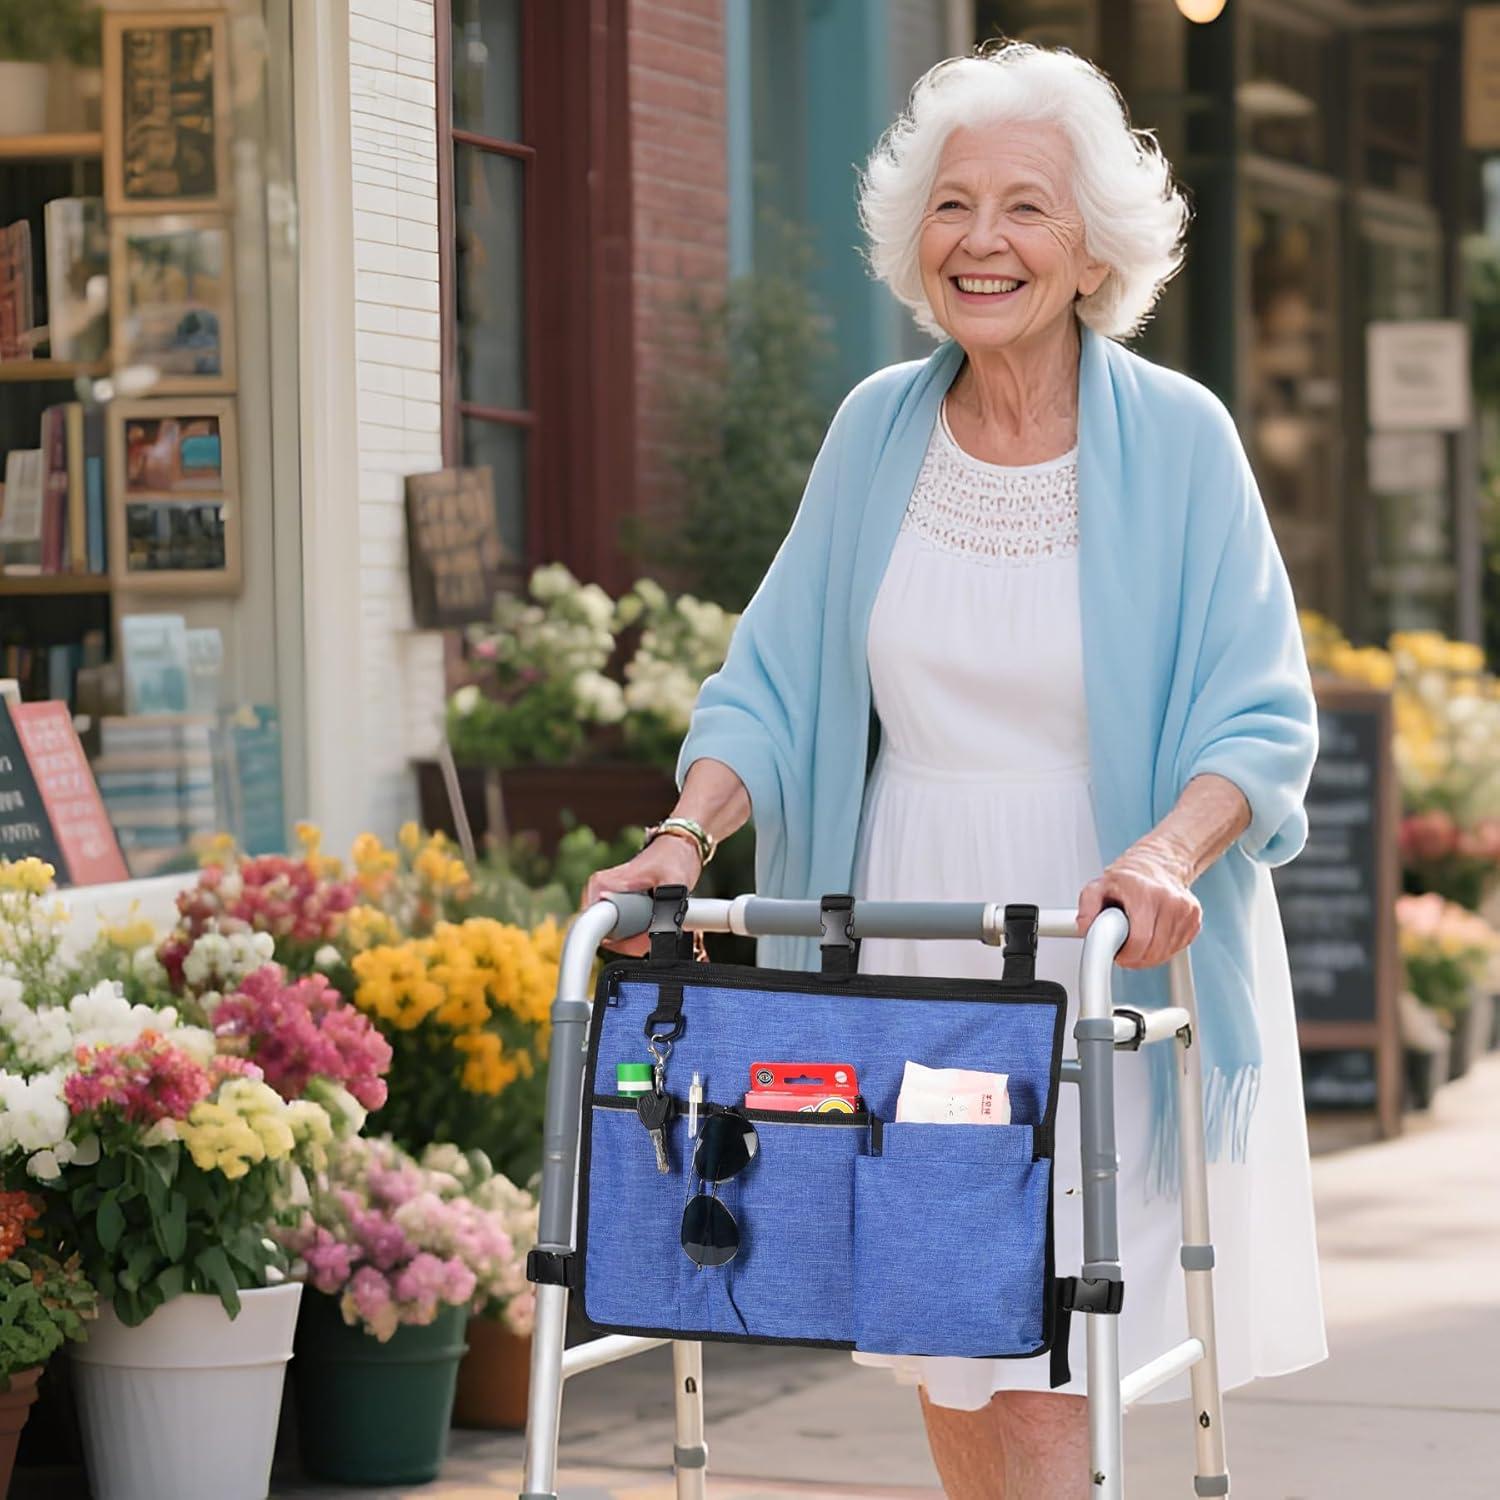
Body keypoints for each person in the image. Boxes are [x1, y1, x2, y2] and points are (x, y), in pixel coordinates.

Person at [583, 42, 1327, 1500]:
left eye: (1027, 208)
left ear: (1095, 243)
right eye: (953, 205)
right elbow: (776, 681)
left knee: (1044, 1364)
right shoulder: (877, 430)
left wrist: (1170, 852)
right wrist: (683, 837)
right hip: (911, 942)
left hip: (1093, 938)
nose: (983, 241)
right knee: (950, 1356)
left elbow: (1259, 711)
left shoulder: (1180, 441)